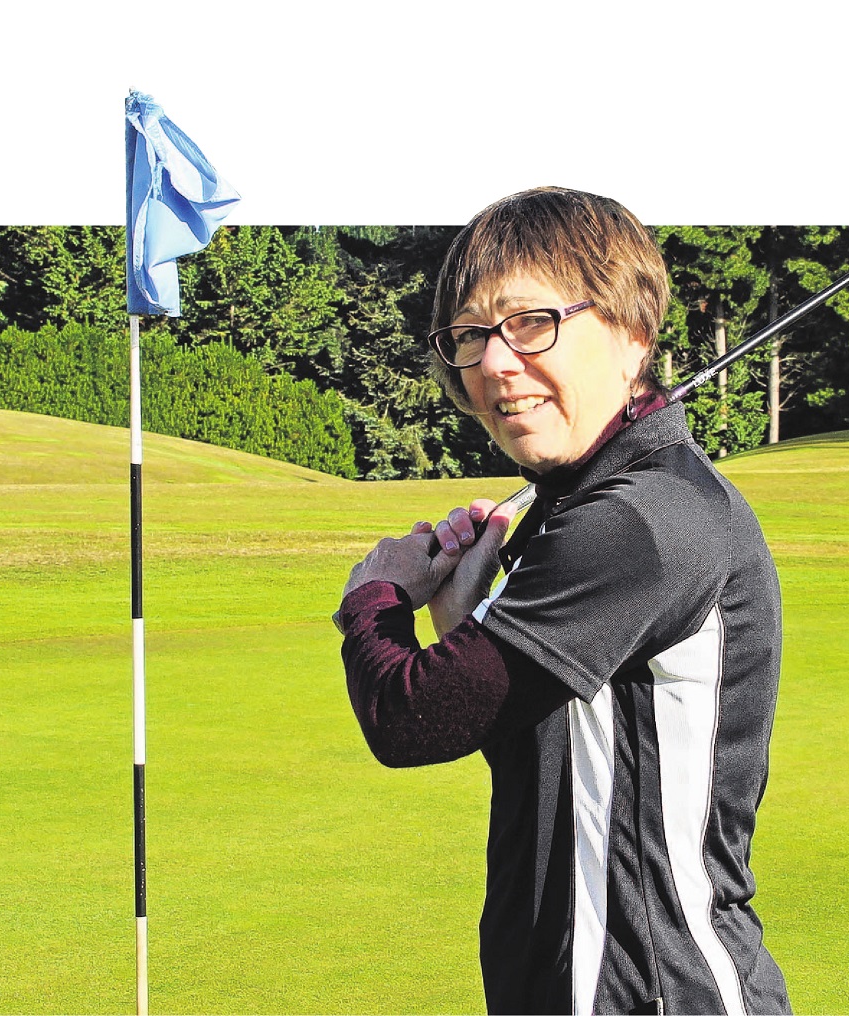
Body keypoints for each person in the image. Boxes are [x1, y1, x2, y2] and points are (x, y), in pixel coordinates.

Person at [338, 187, 790, 1016]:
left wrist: (373, 596)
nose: (497, 363)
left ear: (632, 338)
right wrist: (466, 622)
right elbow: (550, 765)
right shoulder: (574, 507)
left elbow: (409, 721)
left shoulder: (639, 521)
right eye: (471, 335)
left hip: (650, 995)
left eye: (532, 323)